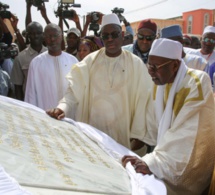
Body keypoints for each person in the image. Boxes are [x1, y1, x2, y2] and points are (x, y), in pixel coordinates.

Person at [46, 13, 153, 151]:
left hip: (122, 138)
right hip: (93, 136)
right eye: (105, 35)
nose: (110, 39)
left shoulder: (136, 64)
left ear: (122, 35)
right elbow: (73, 91)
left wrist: (138, 134)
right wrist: (62, 107)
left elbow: (144, 99)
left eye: (114, 34)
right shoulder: (90, 61)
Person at [122, 38, 215, 194]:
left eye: (155, 67)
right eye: (149, 65)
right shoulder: (159, 82)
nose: (150, 71)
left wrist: (152, 163)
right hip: (164, 155)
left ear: (174, 65)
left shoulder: (196, 83)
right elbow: (151, 122)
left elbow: (186, 135)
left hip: (190, 161)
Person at [24, 23, 78, 110]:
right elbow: (31, 95)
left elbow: (78, 91)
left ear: (61, 37)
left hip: (69, 115)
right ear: (44, 38)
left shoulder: (73, 61)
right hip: (45, 116)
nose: (52, 39)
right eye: (49, 36)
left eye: (55, 36)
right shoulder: (36, 63)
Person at [11, 22, 47, 101]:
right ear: (28, 35)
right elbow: (18, 86)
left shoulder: (51, 54)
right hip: (30, 102)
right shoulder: (20, 58)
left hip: (49, 101)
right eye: (32, 33)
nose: (36, 36)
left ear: (43, 35)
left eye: (38, 33)